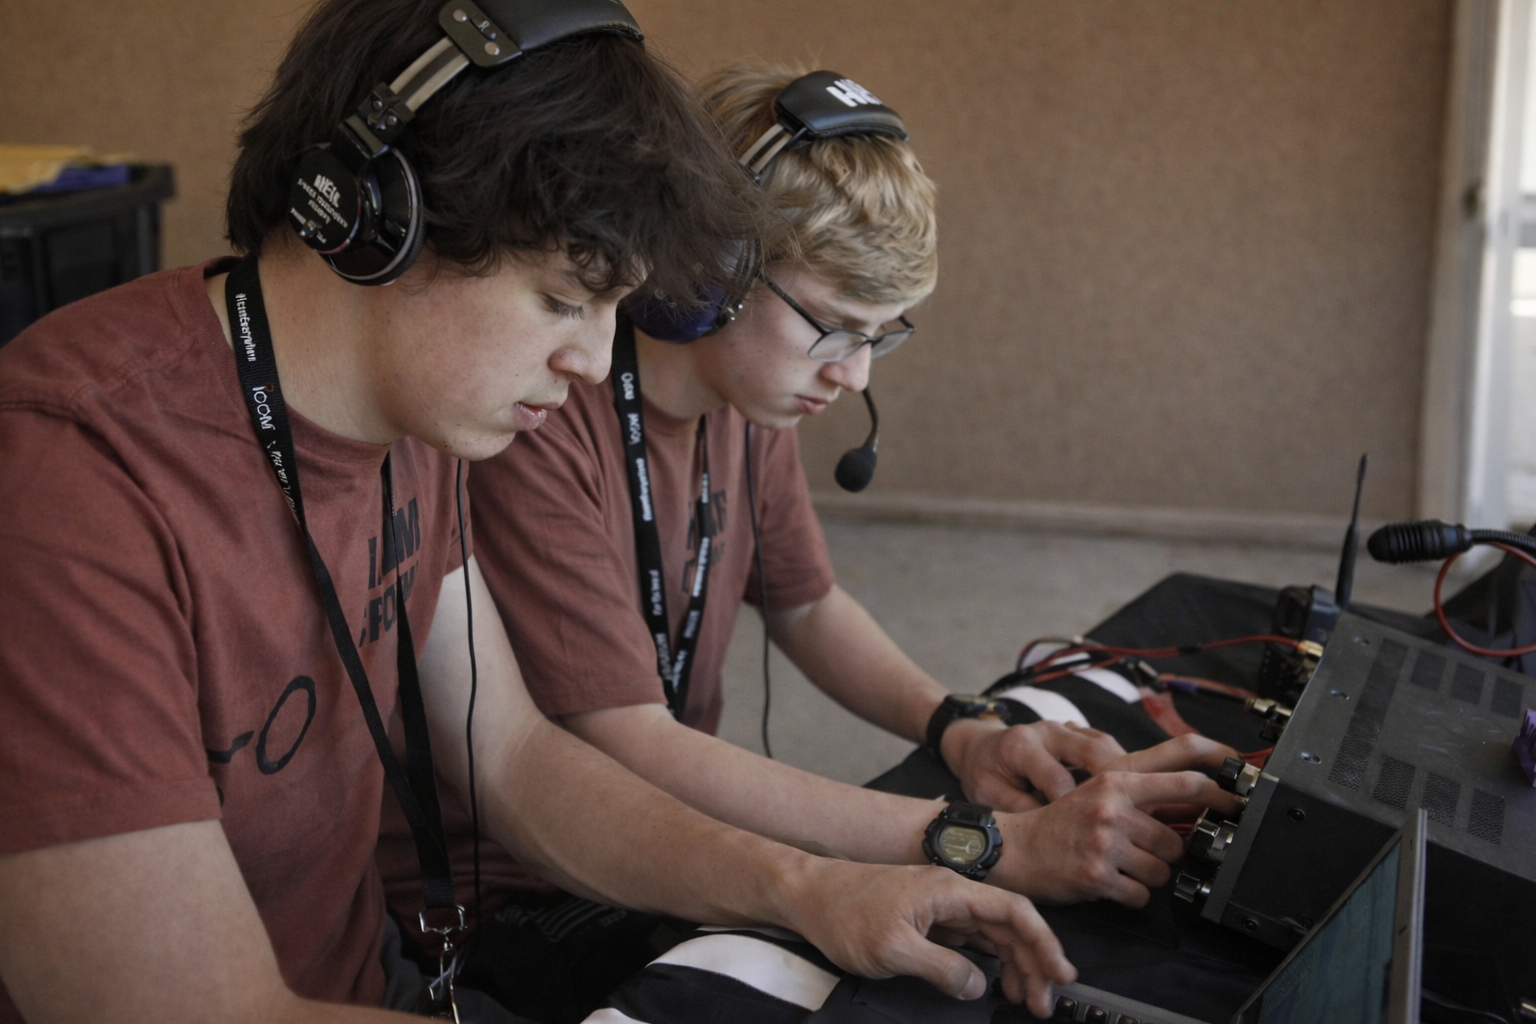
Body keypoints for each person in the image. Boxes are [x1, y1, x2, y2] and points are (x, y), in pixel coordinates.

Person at [0, 4, 1080, 1022]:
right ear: (371, 219)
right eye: (565, 299)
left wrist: (813, 887)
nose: (595, 358)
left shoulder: (419, 419)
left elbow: (515, 758)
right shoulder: (68, 478)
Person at [377, 61, 1241, 1021]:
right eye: (832, 327)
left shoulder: (748, 403)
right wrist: (983, 838)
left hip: (667, 838)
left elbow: (809, 603)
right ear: (712, 269)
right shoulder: (543, 413)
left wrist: (953, 723)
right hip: (515, 891)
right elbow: (632, 744)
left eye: (881, 335)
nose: (854, 373)